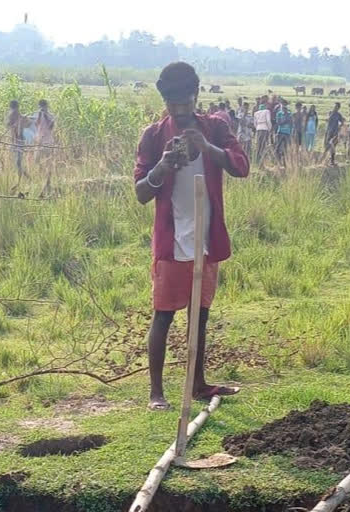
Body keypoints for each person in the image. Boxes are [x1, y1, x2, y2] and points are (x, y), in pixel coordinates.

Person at [133, 62, 249, 410]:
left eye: (186, 104)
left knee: (200, 313)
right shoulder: (153, 136)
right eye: (173, 105)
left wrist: (208, 148)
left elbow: (241, 166)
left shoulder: (214, 127)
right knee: (164, 314)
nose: (180, 112)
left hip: (206, 238)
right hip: (172, 241)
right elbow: (140, 192)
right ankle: (156, 393)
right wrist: (163, 166)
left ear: (196, 96)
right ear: (164, 101)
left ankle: (198, 385)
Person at [5, 100, 31, 180]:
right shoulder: (12, 115)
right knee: (16, 162)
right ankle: (24, 177)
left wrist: (23, 121)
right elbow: (8, 124)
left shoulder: (19, 116)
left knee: (18, 162)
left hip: (19, 141)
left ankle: (26, 178)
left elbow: (28, 124)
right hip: (14, 141)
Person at [275, 99, 292, 165]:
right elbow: (278, 123)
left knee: (286, 148)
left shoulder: (289, 113)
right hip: (280, 131)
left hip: (287, 132)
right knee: (278, 147)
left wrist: (285, 121)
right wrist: (285, 120)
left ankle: (284, 162)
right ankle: (277, 161)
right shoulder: (279, 113)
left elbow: (291, 122)